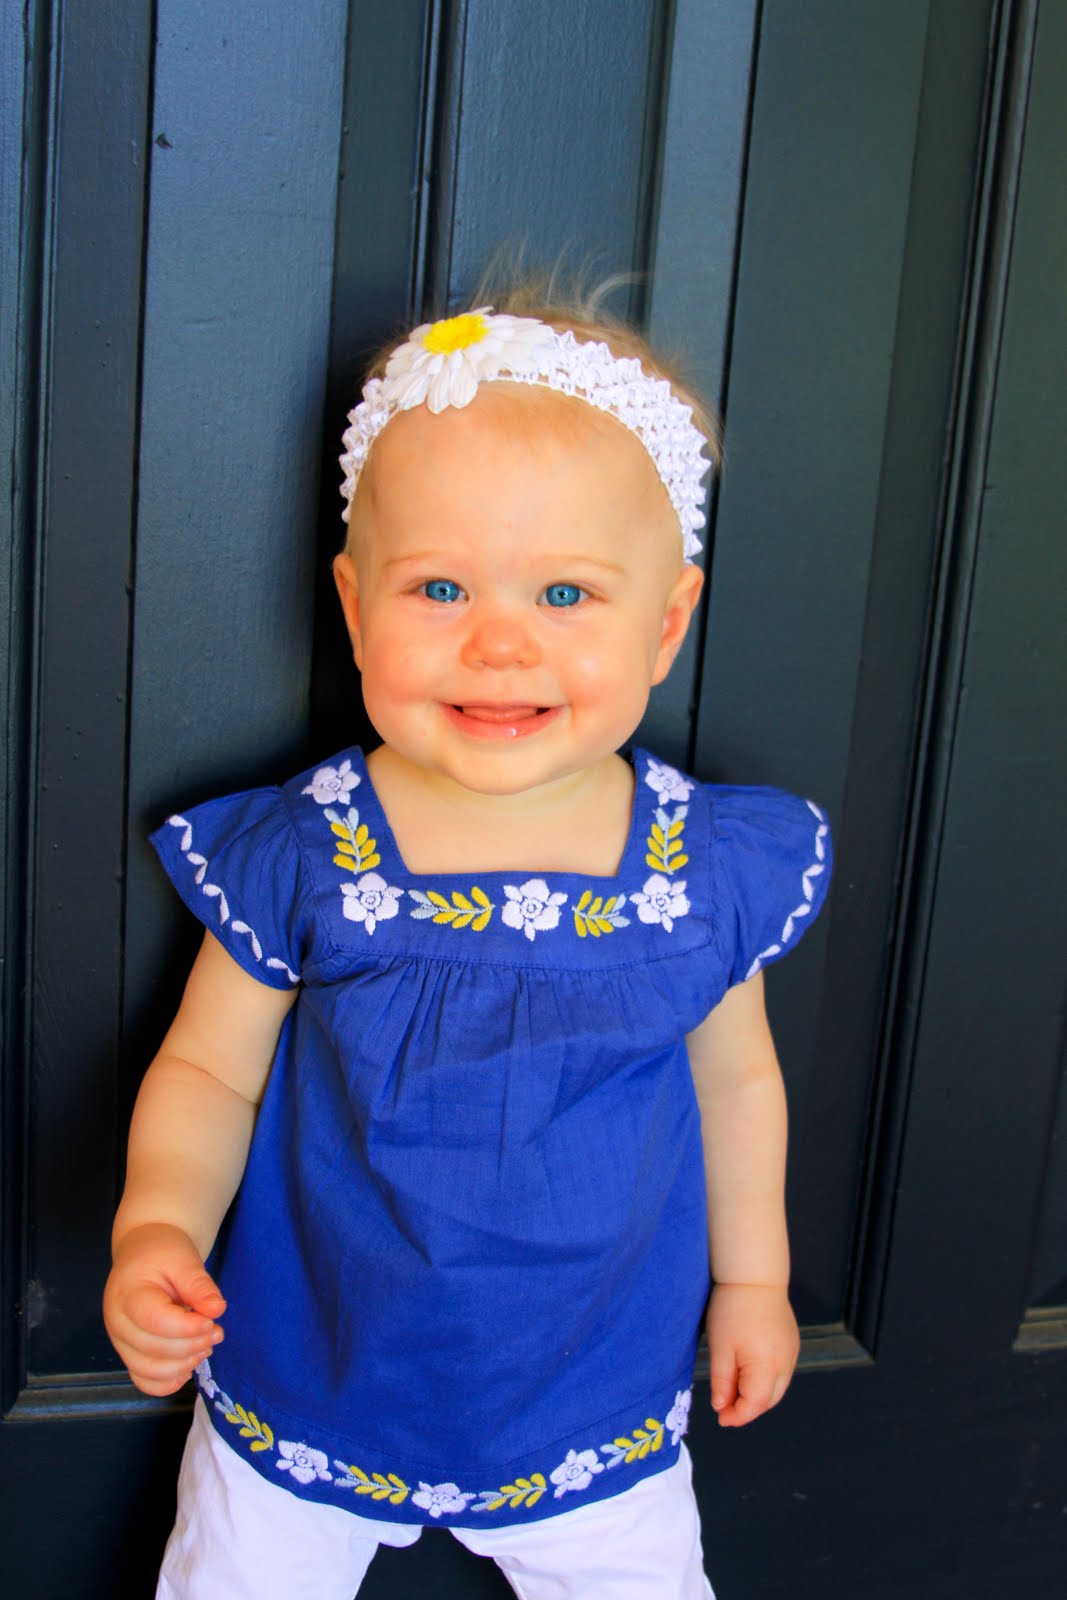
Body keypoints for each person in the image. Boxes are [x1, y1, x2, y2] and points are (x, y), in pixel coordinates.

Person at [103, 287, 832, 1599]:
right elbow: (209, 1072)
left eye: (566, 593)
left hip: (591, 1386)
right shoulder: (309, 851)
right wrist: (155, 1226)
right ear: (353, 604)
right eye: (439, 587)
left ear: (666, 623)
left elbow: (737, 1084)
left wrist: (755, 1281)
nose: (500, 643)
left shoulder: (699, 871)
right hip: (314, 1368)